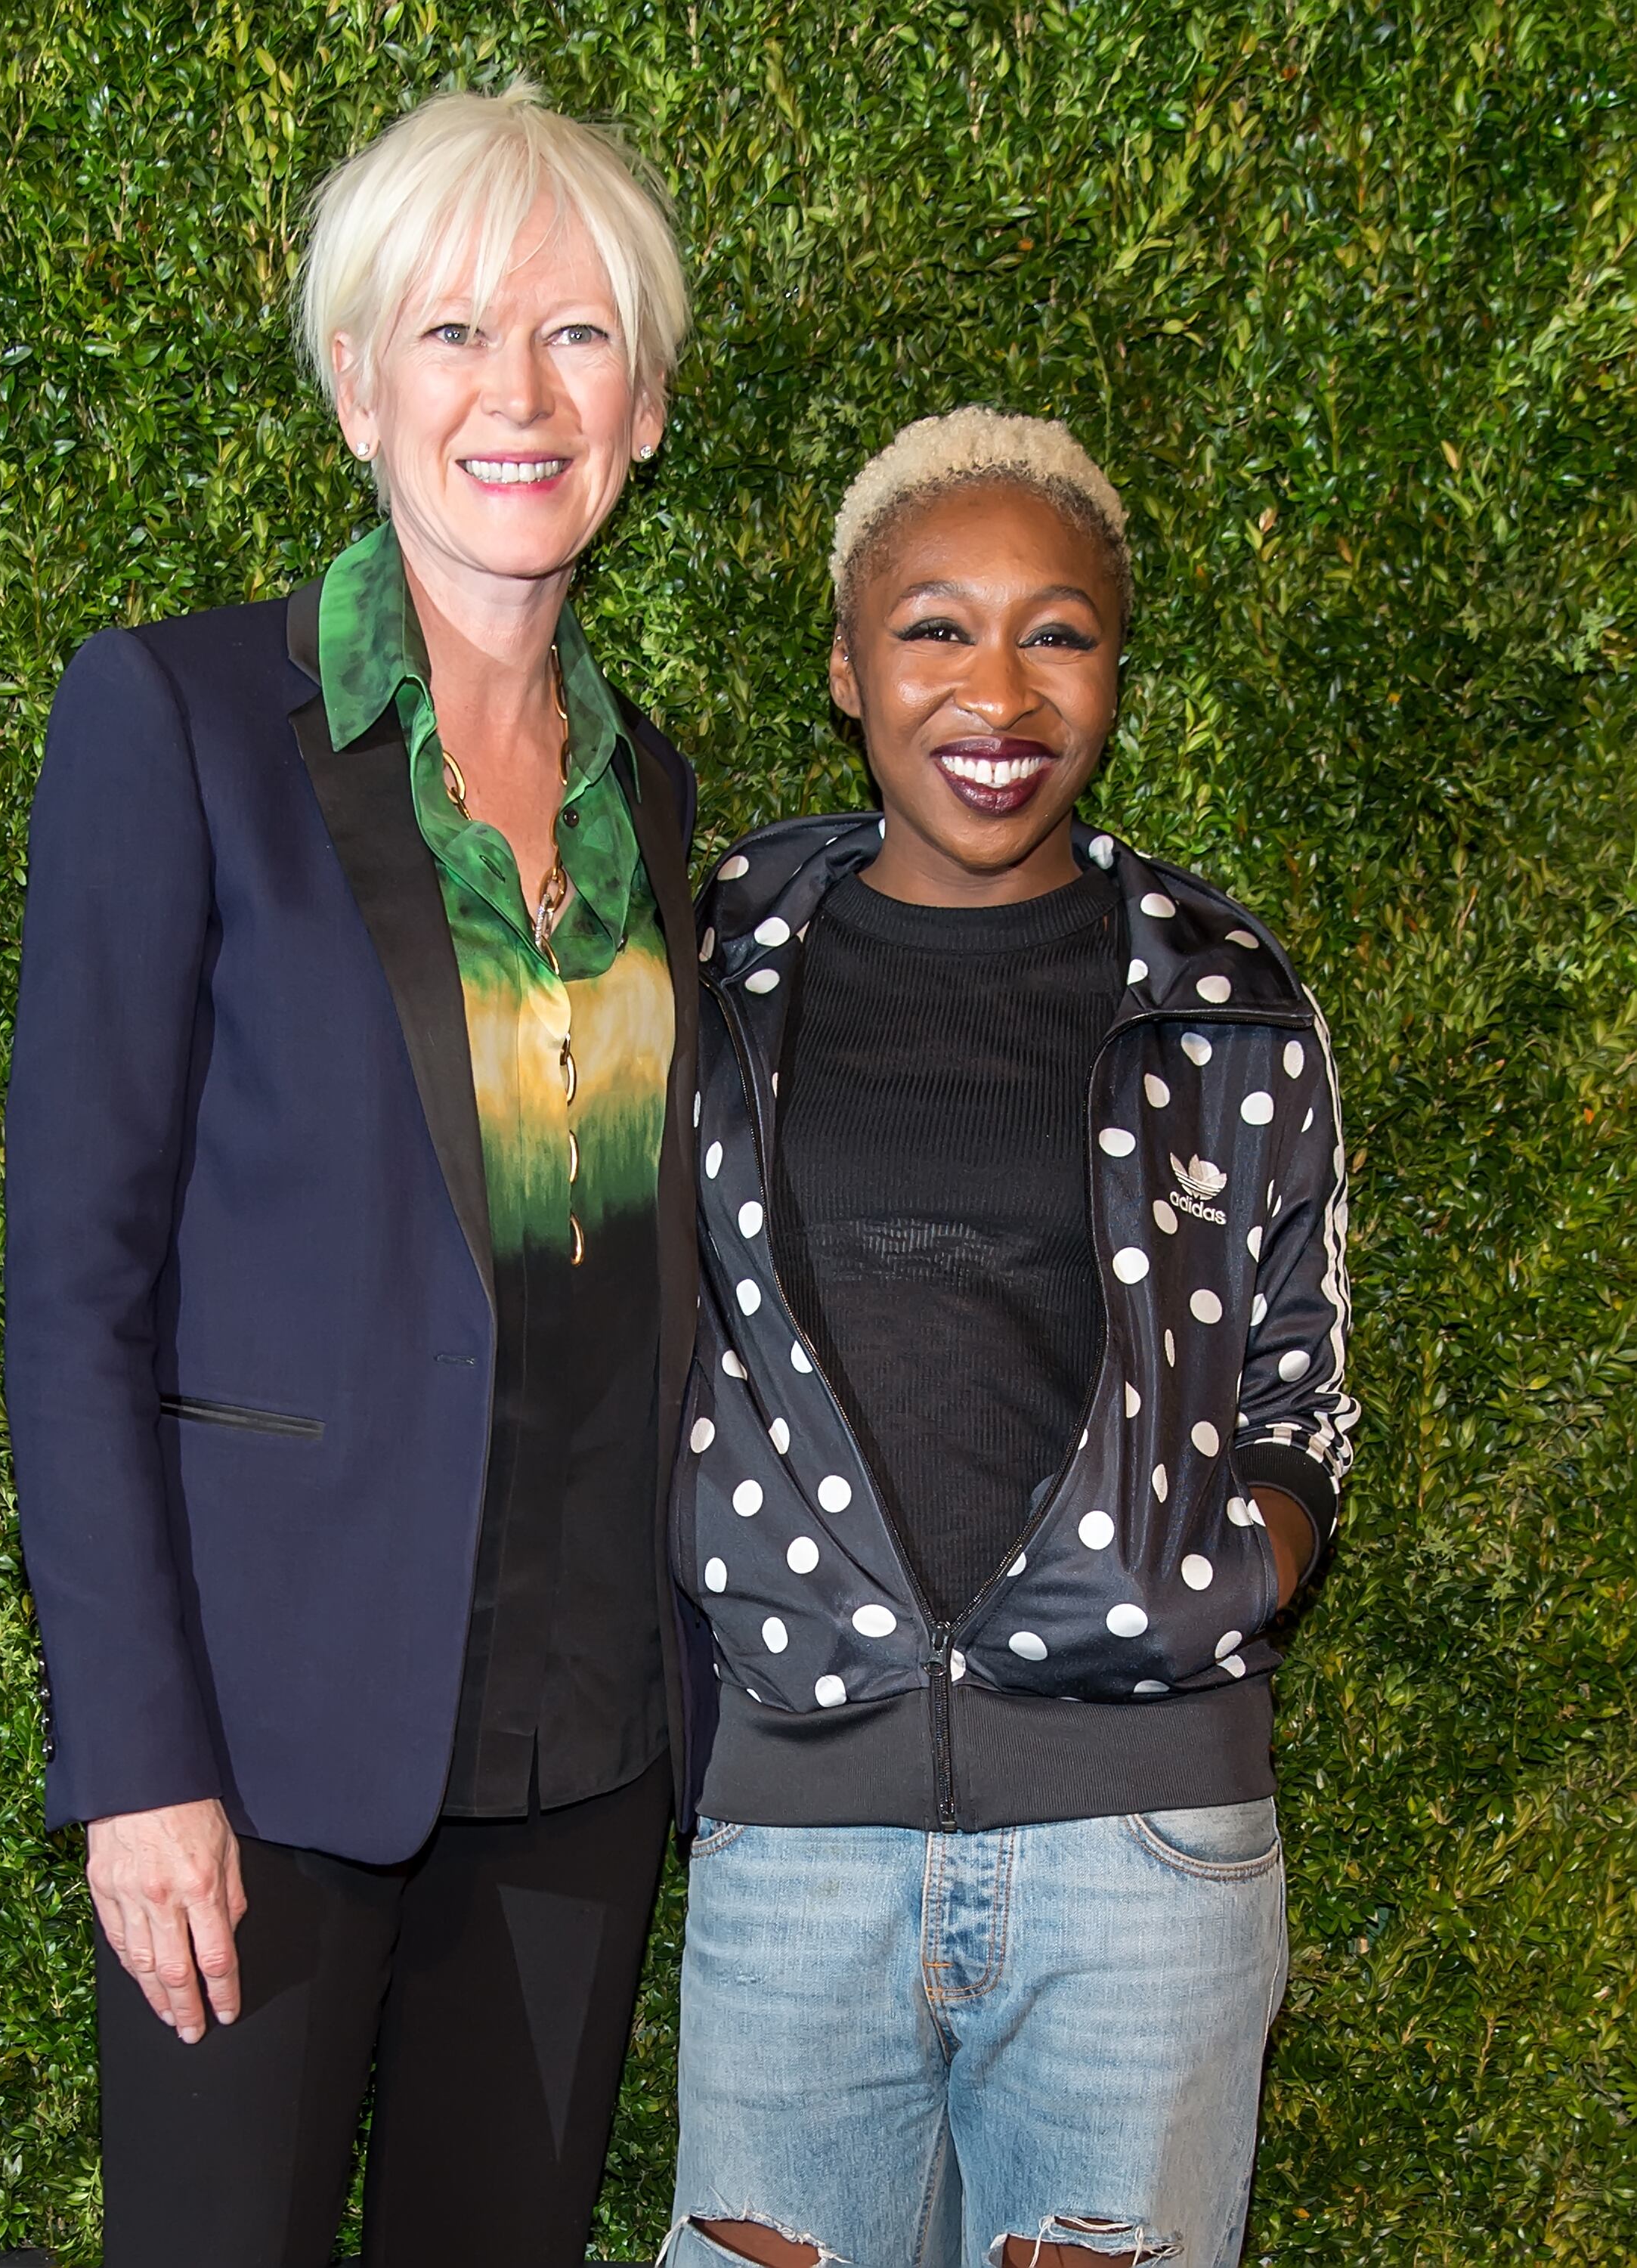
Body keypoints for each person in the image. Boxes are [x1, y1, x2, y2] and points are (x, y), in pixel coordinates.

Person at [4, 82, 703, 2268]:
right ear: (351, 388)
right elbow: (76, 1284)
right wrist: (137, 1768)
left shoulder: (651, 798)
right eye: (451, 334)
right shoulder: (181, 721)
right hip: (262, 1758)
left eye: (578, 337)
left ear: (648, 410)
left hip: (579, 1755)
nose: (517, 394)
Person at [667, 408, 1357, 2268]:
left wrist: (1227, 1569)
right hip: (794, 1844)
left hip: (1151, 1863)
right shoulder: (714, 964)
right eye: (935, 627)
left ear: (1115, 675)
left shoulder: (1228, 999)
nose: (999, 689)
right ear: (846, 666)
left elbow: (1300, 1377)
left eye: (1057, 632)